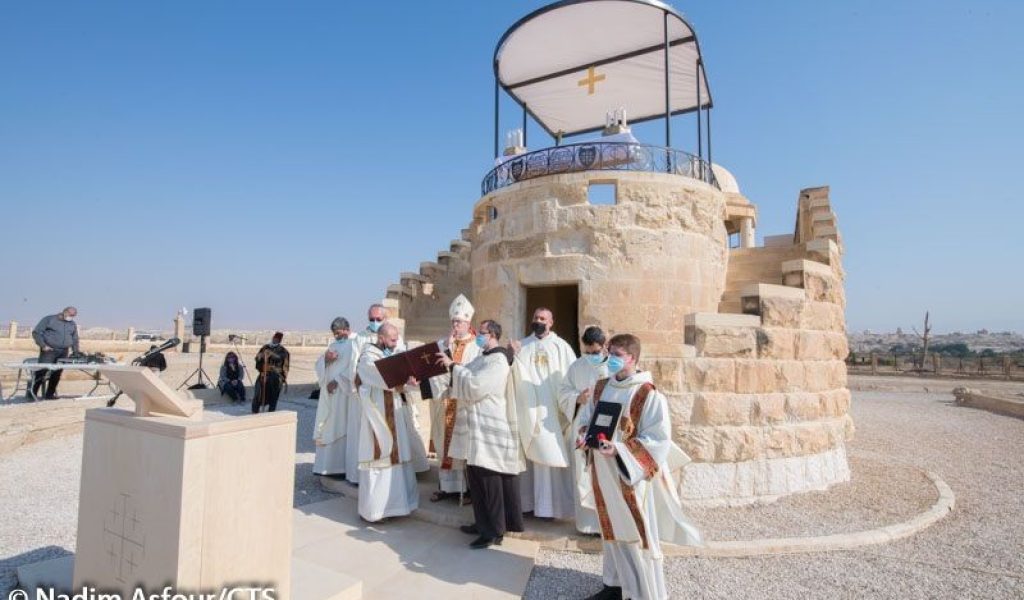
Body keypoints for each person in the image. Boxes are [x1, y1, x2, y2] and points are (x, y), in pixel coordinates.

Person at [575, 334, 702, 600]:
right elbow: (586, 419)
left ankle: (643, 592)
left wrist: (619, 449)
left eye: (617, 355)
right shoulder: (600, 387)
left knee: (635, 532)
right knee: (609, 526)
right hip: (602, 471)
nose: (610, 360)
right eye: (610, 353)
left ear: (632, 358)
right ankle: (614, 585)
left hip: (628, 476)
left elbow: (658, 440)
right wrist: (584, 435)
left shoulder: (648, 394)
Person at [440, 319, 525, 549]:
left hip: (489, 428)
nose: (478, 335)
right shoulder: (482, 358)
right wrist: (451, 367)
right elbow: (462, 378)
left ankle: (494, 532)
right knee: (475, 479)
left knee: (489, 482)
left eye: (482, 332)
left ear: (493, 335)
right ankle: (481, 523)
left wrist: (453, 366)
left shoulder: (498, 361)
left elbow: (476, 387)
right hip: (474, 428)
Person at [510, 307, 578, 520]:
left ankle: (550, 509)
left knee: (550, 459)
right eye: (535, 318)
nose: (538, 321)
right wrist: (512, 356)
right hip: (527, 410)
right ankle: (528, 504)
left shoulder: (562, 347)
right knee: (529, 457)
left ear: (551, 322)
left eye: (543, 318)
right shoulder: (523, 345)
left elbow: (571, 378)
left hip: (552, 412)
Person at [355, 322, 426, 522]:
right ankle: (376, 511)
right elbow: (378, 377)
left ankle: (398, 506)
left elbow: (398, 385)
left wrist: (411, 382)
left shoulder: (390, 354)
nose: (396, 343)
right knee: (380, 459)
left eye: (397, 339)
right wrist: (401, 377)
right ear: (381, 337)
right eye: (392, 339)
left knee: (399, 456)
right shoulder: (368, 356)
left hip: (394, 411)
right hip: (378, 416)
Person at [426, 294, 481, 503]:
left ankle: (465, 489)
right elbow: (432, 371)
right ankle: (444, 487)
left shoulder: (476, 347)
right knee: (443, 442)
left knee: (461, 445)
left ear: (468, 323)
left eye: (460, 322)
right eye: (454, 321)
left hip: (462, 402)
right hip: (444, 400)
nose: (456, 325)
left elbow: (472, 373)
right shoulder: (441, 344)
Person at [557, 325, 608, 535]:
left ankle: (607, 525)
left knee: (606, 476)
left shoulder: (614, 366)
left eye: (595, 353)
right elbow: (562, 392)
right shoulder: (577, 366)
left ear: (604, 346)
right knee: (583, 473)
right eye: (587, 352)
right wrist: (577, 399)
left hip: (607, 427)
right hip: (583, 428)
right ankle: (588, 525)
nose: (590, 357)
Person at [313, 317, 355, 479]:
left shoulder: (355, 343)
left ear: (347, 329)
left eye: (338, 333)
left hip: (344, 394)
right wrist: (326, 360)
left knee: (341, 425)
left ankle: (339, 467)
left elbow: (355, 367)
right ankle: (325, 466)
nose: (336, 336)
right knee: (327, 425)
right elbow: (319, 364)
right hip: (328, 395)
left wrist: (337, 381)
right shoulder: (333, 345)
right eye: (334, 334)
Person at [31, 306, 80, 399]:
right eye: (71, 315)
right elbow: (36, 333)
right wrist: (43, 345)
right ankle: (32, 394)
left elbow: (75, 339)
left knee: (57, 373)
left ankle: (49, 394)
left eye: (74, 316)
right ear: (65, 312)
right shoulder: (49, 319)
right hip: (49, 350)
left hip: (64, 351)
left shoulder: (72, 324)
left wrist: (76, 351)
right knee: (42, 372)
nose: (72, 317)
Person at [253, 332, 289, 413]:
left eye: (277, 339)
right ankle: (255, 411)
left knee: (273, 395)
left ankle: (271, 412)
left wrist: (283, 378)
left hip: (276, 376)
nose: (275, 340)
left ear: (280, 340)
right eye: (274, 338)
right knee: (258, 393)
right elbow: (257, 358)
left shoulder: (283, 351)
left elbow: (283, 362)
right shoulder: (265, 347)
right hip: (263, 374)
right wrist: (260, 357)